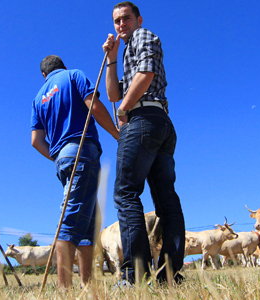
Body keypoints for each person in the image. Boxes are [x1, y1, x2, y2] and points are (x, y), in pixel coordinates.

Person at [102, 1, 185, 285]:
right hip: (158, 123)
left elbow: (146, 75)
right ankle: (169, 274)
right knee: (166, 198)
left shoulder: (143, 35)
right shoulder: (126, 51)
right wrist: (112, 58)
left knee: (126, 194)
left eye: (126, 18)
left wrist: (125, 110)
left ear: (138, 18)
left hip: (143, 119)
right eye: (116, 21)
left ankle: (134, 274)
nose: (121, 24)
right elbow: (113, 94)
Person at [30, 55, 118, 288]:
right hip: (82, 151)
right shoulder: (74, 75)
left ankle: (87, 286)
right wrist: (116, 133)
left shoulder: (39, 98)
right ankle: (64, 289)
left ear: (44, 75)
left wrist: (59, 156)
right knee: (69, 220)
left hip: (62, 158)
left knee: (86, 224)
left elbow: (36, 141)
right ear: (62, 66)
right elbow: (94, 106)